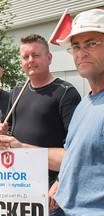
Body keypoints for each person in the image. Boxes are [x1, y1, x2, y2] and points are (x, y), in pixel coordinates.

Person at [0, 34, 81, 214]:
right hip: (18, 183)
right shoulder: (17, 91)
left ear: (49, 58)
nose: (30, 61)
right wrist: (1, 133)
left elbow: (75, 151)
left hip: (50, 190)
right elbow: (11, 135)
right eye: (25, 57)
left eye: (35, 55)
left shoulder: (66, 93)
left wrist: (59, 183)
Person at [48, 9, 104, 215]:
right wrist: (61, 182)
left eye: (91, 43)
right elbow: (72, 155)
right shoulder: (84, 104)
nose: (82, 52)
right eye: (76, 46)